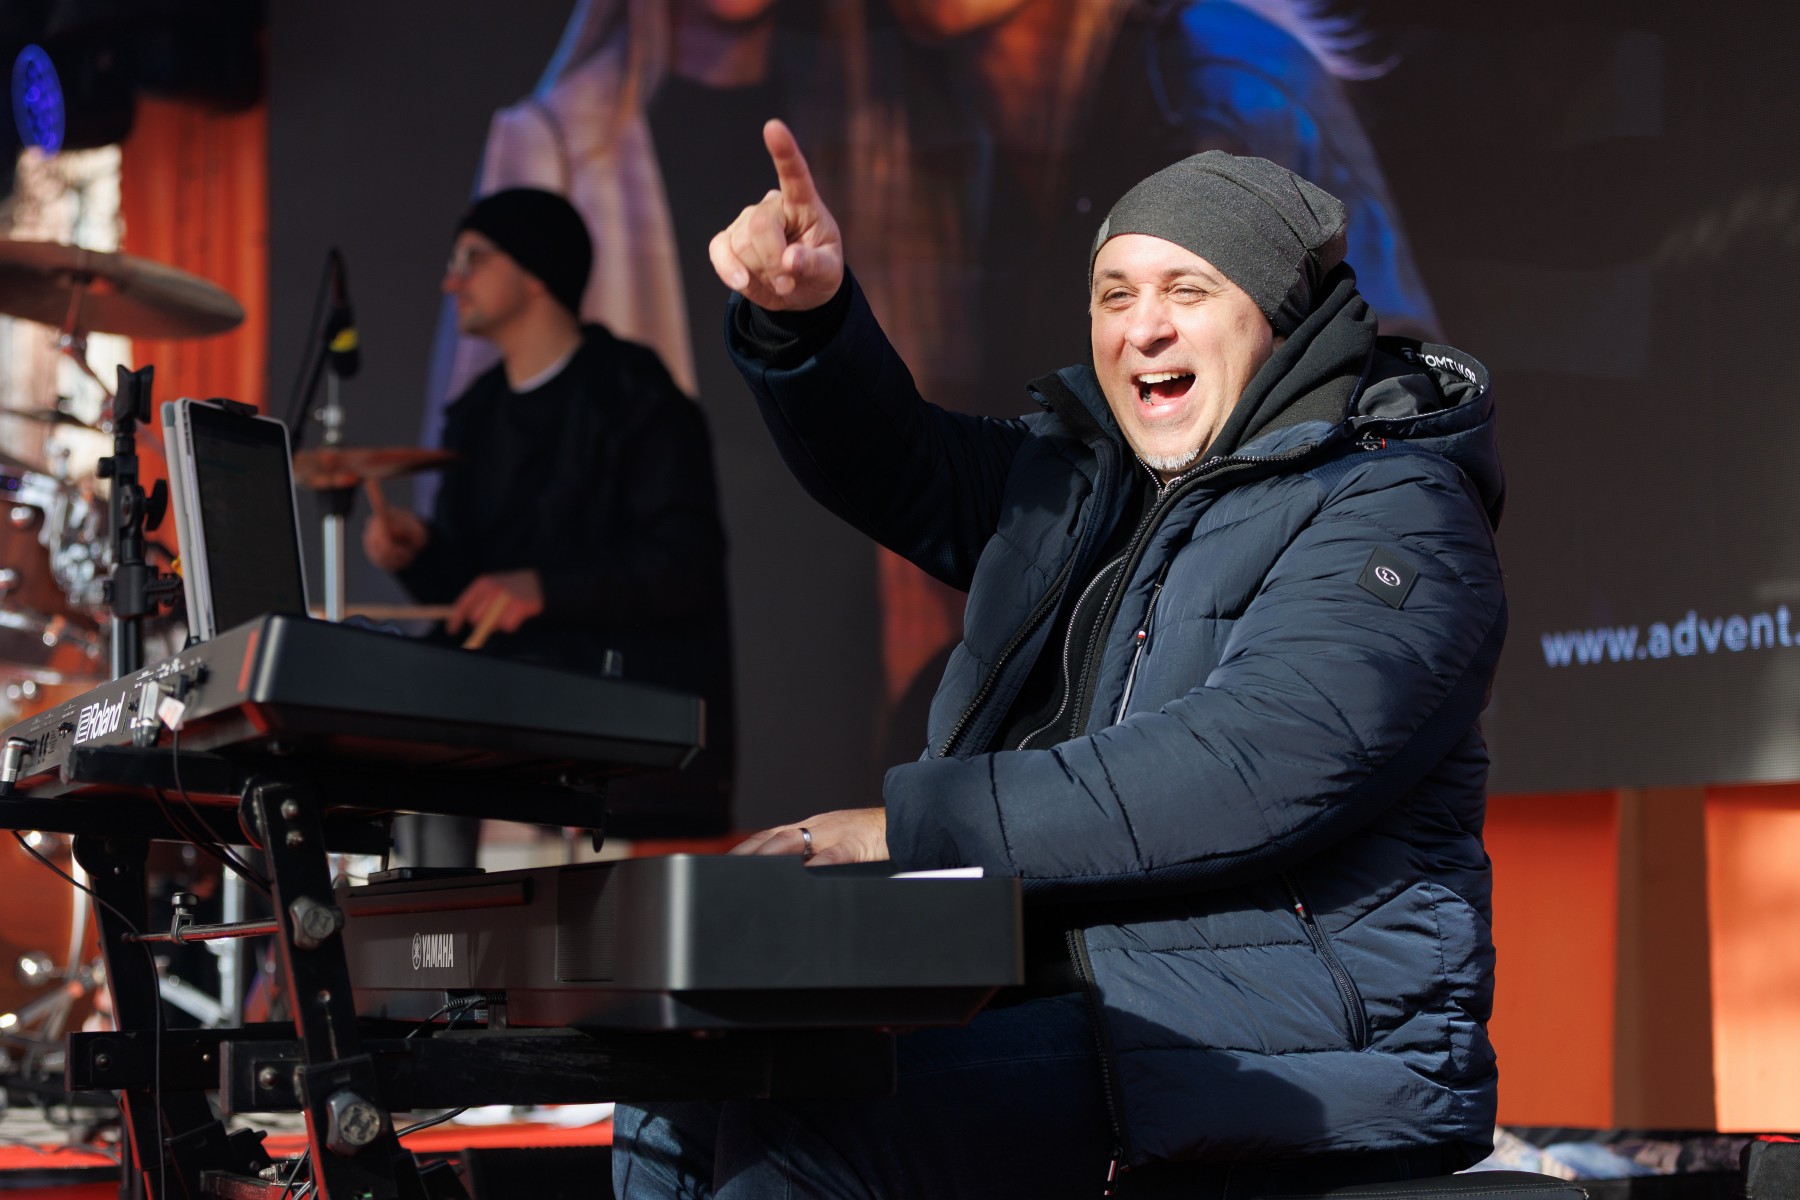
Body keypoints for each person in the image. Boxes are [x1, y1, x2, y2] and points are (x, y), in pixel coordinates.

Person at [611, 122, 1505, 1197]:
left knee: (821, 1122)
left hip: (1288, 1042)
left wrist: (907, 829)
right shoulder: (1086, 482)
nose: (1143, 326)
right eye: (1115, 295)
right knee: (680, 1079)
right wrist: (804, 323)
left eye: (1187, 290)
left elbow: (1254, 763)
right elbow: (900, 460)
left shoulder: (1394, 504)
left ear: (1279, 317)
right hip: (1051, 997)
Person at [364, 187, 735, 844]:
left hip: (627, 761)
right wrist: (419, 553)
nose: (452, 281)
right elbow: (469, 598)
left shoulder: (634, 393)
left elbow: (686, 566)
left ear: (535, 271)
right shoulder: (475, 413)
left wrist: (543, 588)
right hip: (508, 755)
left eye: (473, 258)